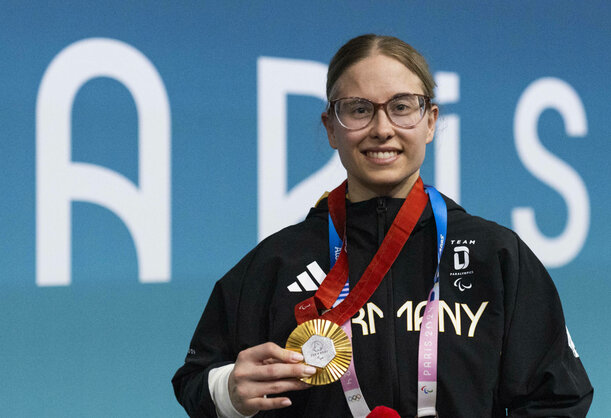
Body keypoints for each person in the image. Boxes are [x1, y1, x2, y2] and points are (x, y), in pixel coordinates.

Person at [172, 34, 593, 417]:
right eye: (358, 110)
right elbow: (194, 380)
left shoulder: (495, 255)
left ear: (430, 121)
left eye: (402, 107)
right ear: (331, 129)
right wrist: (228, 391)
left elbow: (558, 398)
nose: (382, 129)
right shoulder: (278, 261)